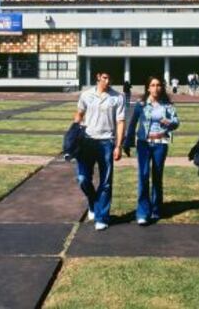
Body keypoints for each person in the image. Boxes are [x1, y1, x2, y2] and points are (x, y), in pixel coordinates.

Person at [123, 76, 179, 225]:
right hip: (144, 144)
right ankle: (142, 212)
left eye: (158, 85)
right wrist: (127, 143)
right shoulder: (140, 105)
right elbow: (132, 123)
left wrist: (168, 122)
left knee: (157, 176)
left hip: (160, 143)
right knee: (143, 176)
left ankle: (156, 209)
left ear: (162, 87)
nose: (156, 88)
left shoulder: (167, 105)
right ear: (148, 88)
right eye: (153, 85)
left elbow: (176, 122)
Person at [74, 71, 126, 231]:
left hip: (106, 142)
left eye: (110, 78)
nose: (107, 81)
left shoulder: (118, 97)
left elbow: (121, 122)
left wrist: (118, 145)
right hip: (87, 142)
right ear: (98, 77)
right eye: (105, 77)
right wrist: (75, 129)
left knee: (106, 182)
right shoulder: (86, 95)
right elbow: (79, 113)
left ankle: (102, 216)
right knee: (83, 179)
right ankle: (92, 201)